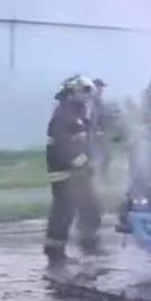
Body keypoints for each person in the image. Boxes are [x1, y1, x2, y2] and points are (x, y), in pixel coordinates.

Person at [43, 75, 104, 269]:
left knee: (89, 208)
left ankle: (89, 247)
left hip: (77, 172)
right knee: (64, 212)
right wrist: (84, 163)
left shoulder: (78, 114)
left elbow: (84, 141)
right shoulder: (63, 115)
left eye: (88, 92)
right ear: (70, 93)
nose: (87, 96)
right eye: (83, 91)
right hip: (66, 173)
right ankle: (56, 253)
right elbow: (65, 147)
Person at [90, 78, 111, 177]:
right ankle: (96, 179)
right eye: (100, 87)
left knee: (105, 157)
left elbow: (103, 114)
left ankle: (101, 177)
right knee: (97, 157)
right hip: (94, 134)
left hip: (100, 133)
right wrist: (96, 130)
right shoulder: (92, 101)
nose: (102, 89)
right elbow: (92, 116)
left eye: (102, 87)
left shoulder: (99, 100)